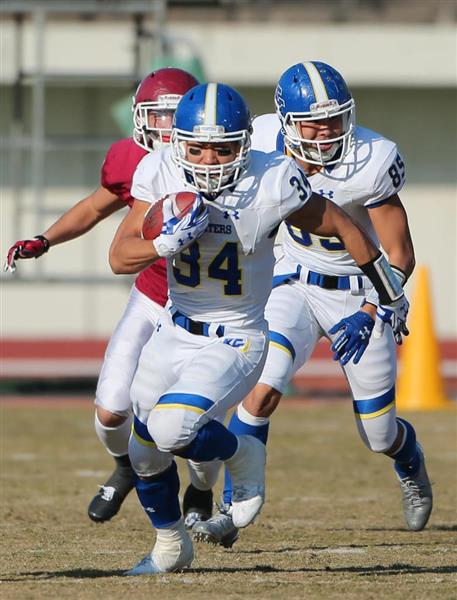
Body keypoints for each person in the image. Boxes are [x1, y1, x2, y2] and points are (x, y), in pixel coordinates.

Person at [109, 81, 409, 575]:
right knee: (142, 450)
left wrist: (388, 293)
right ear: (178, 144)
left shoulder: (272, 178)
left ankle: (243, 453)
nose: (208, 160)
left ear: (245, 144)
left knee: (170, 427)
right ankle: (170, 544)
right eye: (198, 148)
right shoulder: (159, 168)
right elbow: (120, 256)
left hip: (237, 334)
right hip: (173, 328)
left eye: (223, 149)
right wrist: (163, 245)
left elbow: (341, 224)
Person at [193, 61, 432, 549]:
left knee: (379, 433)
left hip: (359, 290)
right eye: (312, 122)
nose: (325, 133)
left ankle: (410, 462)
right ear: (283, 121)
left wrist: (374, 310)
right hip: (293, 281)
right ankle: (234, 508)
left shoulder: (373, 158)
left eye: (334, 119)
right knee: (263, 386)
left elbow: (401, 254)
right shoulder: (259, 140)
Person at [4, 67, 219, 528]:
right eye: (155, 116)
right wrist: (46, 239)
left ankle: (201, 489)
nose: (163, 127)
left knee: (195, 422)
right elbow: (95, 205)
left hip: (209, 306)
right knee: (110, 410)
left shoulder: (223, 162)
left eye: (173, 116)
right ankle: (125, 465)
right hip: (152, 294)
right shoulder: (132, 159)